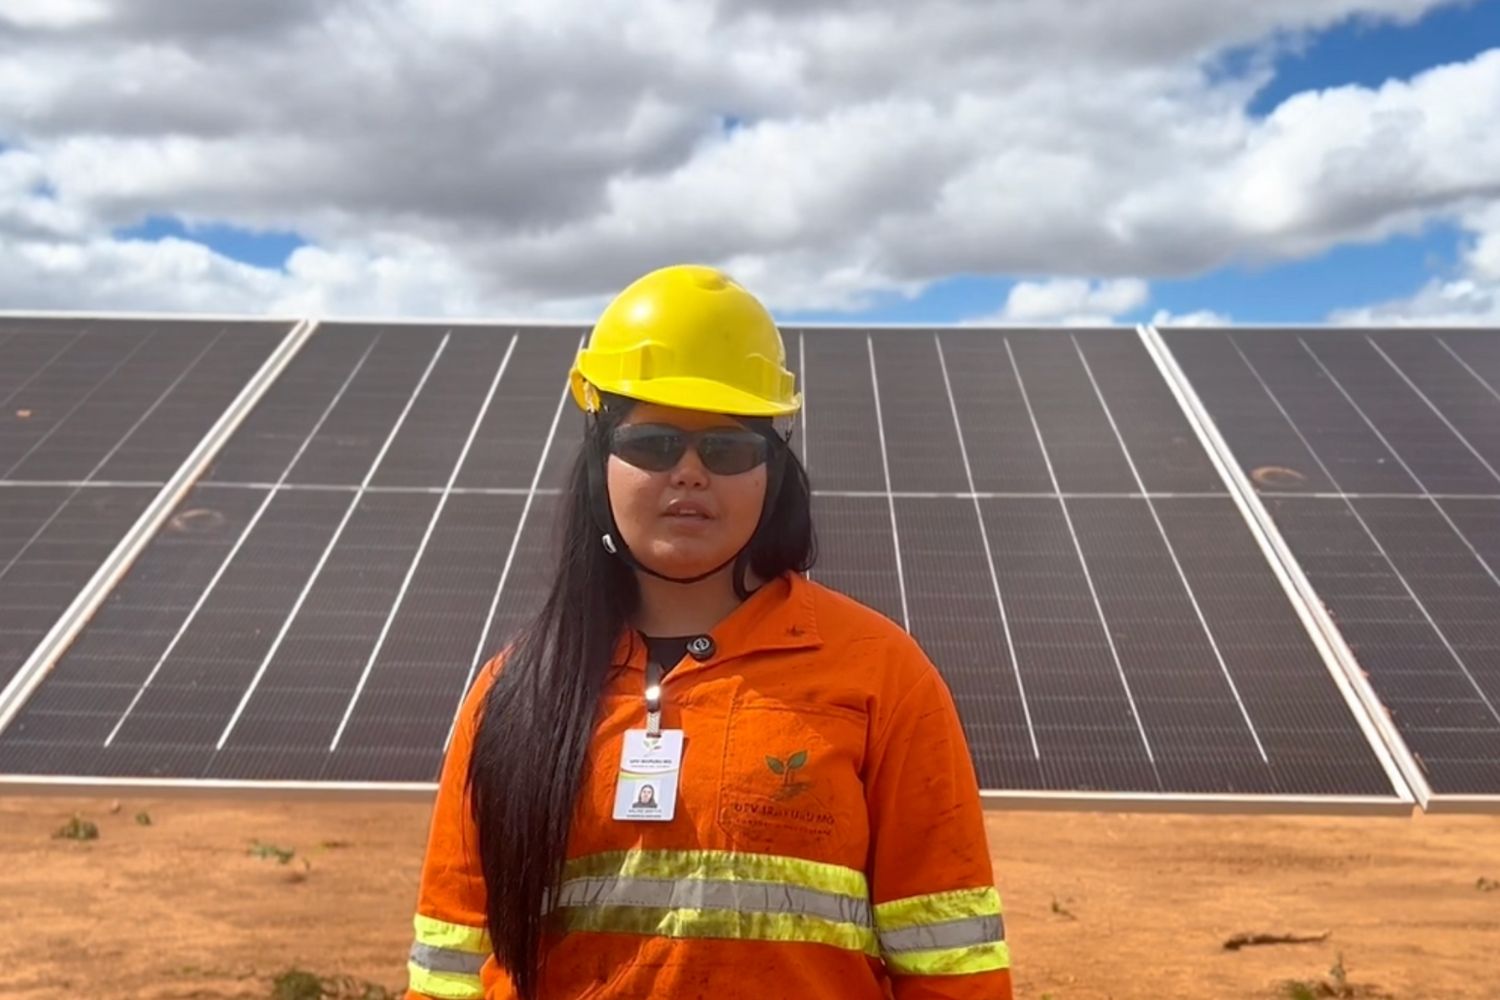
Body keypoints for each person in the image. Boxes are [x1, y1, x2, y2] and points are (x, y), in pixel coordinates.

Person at [405, 264, 1012, 1000]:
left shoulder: (880, 675)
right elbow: (453, 966)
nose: (689, 473)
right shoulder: (515, 693)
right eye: (655, 443)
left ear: (772, 473)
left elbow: (951, 965)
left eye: (727, 449)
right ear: (602, 459)